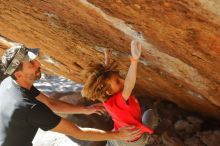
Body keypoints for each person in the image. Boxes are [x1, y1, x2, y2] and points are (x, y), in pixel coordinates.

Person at [0, 45, 142, 146]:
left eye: (34, 59)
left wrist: (84, 110)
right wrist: (117, 135)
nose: (38, 63)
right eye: (31, 63)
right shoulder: (32, 108)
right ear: (19, 74)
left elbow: (51, 103)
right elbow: (78, 132)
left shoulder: (10, 83)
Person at [81, 40, 158, 146]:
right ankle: (148, 137)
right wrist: (134, 61)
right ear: (108, 91)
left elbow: (105, 79)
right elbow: (129, 85)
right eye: (118, 81)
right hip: (134, 140)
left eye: (119, 78)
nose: (122, 81)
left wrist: (107, 58)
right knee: (150, 113)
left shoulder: (105, 98)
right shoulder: (119, 100)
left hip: (118, 134)